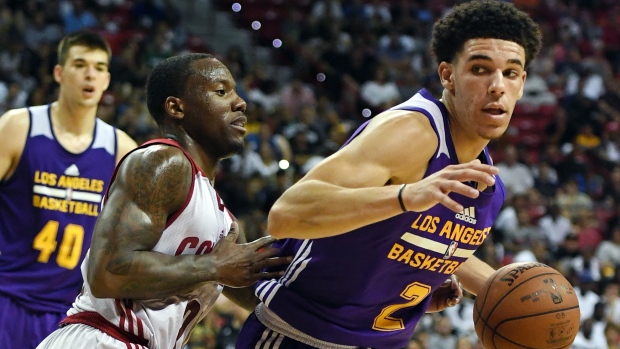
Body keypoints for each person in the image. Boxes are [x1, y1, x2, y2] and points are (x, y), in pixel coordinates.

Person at [236, 1, 542, 348]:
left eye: (511, 73)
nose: (497, 86)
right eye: (480, 69)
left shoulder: (489, 184)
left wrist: (516, 294)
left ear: (522, 84)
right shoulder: (412, 132)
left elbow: (422, 239)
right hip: (302, 336)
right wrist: (406, 196)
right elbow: (286, 215)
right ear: (448, 75)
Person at [36, 53, 291, 349]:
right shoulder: (161, 161)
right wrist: (213, 266)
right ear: (176, 107)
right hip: (104, 338)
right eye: (221, 91)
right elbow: (107, 272)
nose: (240, 103)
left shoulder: (224, 220)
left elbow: (262, 297)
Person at [0, 30, 138, 349]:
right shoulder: (18, 128)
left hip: (70, 314)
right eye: (80, 64)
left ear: (107, 80)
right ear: (59, 73)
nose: (90, 74)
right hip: (8, 297)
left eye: (100, 67)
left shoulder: (121, 150)